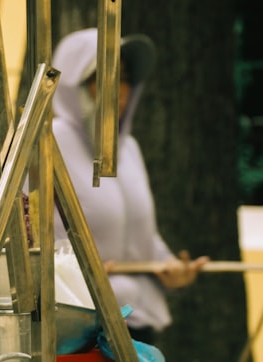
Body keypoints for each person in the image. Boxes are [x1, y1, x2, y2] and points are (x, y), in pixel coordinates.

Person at [51, 28, 209, 345]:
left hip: (136, 320)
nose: (118, 91)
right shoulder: (48, 144)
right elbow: (26, 236)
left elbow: (140, 235)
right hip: (77, 329)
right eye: (103, 77)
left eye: (123, 78)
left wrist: (171, 267)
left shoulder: (129, 148)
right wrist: (77, 271)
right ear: (73, 86)